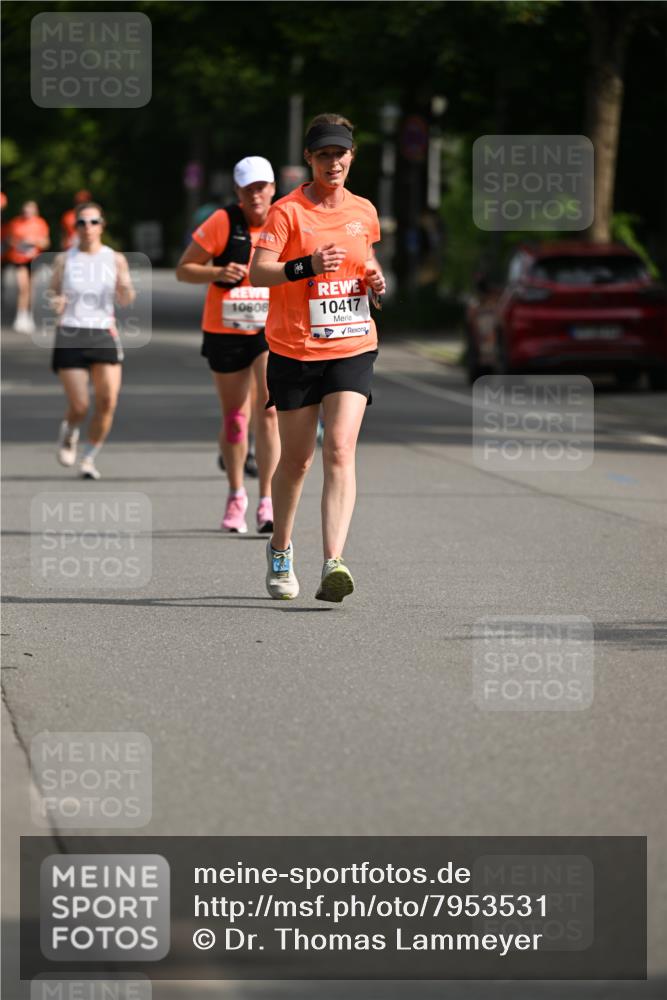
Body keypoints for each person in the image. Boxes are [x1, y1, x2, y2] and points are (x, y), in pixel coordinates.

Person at [250, 114, 385, 602]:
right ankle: (281, 548)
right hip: (294, 348)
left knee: (341, 448)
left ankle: (334, 562)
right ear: (310, 159)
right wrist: (306, 266)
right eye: (324, 154)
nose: (334, 162)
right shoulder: (286, 212)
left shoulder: (364, 210)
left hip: (352, 342)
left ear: (352, 156)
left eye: (341, 153)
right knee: (298, 460)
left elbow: (365, 258)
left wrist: (374, 280)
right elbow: (258, 273)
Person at [176, 156, 280, 534]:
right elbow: (184, 268)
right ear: (238, 191)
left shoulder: (284, 220)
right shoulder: (223, 222)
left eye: (262, 187)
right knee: (235, 418)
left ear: (272, 188)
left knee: (269, 410)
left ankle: (267, 500)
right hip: (225, 329)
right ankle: (237, 493)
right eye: (248, 188)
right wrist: (218, 271)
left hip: (270, 330)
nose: (256, 195)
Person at [48, 202, 135, 480]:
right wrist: (56, 302)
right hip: (71, 333)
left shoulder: (115, 258)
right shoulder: (65, 259)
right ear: (74, 227)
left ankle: (88, 457)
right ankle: (70, 430)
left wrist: (124, 287)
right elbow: (52, 293)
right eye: (82, 223)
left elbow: (126, 298)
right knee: (80, 405)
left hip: (102, 332)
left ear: (102, 225)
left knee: (108, 400)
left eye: (93, 222)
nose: (88, 228)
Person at [4, 200, 50, 333]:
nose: (28, 213)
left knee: (30, 288)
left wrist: (34, 241)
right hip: (19, 258)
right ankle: (20, 315)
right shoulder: (15, 223)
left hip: (34, 259)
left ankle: (29, 315)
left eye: (30, 210)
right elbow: (8, 239)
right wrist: (19, 243)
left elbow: (46, 242)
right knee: (22, 287)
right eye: (26, 210)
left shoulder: (40, 223)